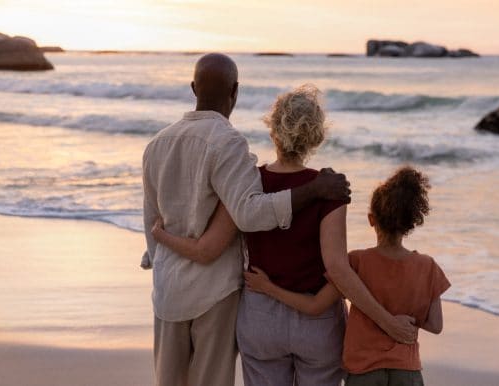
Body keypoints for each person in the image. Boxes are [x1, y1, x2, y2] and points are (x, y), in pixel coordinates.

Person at [150, 83, 419, 385]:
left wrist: (160, 237)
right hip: (316, 322)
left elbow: (208, 247)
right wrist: (387, 322)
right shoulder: (329, 190)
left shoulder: (249, 183)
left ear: (273, 130)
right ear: (316, 135)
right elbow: (337, 268)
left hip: (260, 318)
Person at [142, 54, 351, 386]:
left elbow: (151, 220)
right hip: (215, 292)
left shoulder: (157, 144)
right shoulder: (228, 142)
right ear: (235, 91)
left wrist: (160, 262)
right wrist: (312, 190)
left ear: (193, 88)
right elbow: (250, 213)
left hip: (176, 292)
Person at [245, 166, 451, 386]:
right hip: (407, 371)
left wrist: (268, 288)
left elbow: (315, 306)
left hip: (364, 371)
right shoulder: (428, 267)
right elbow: (435, 325)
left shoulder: (356, 263)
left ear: (372, 219)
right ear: (411, 224)